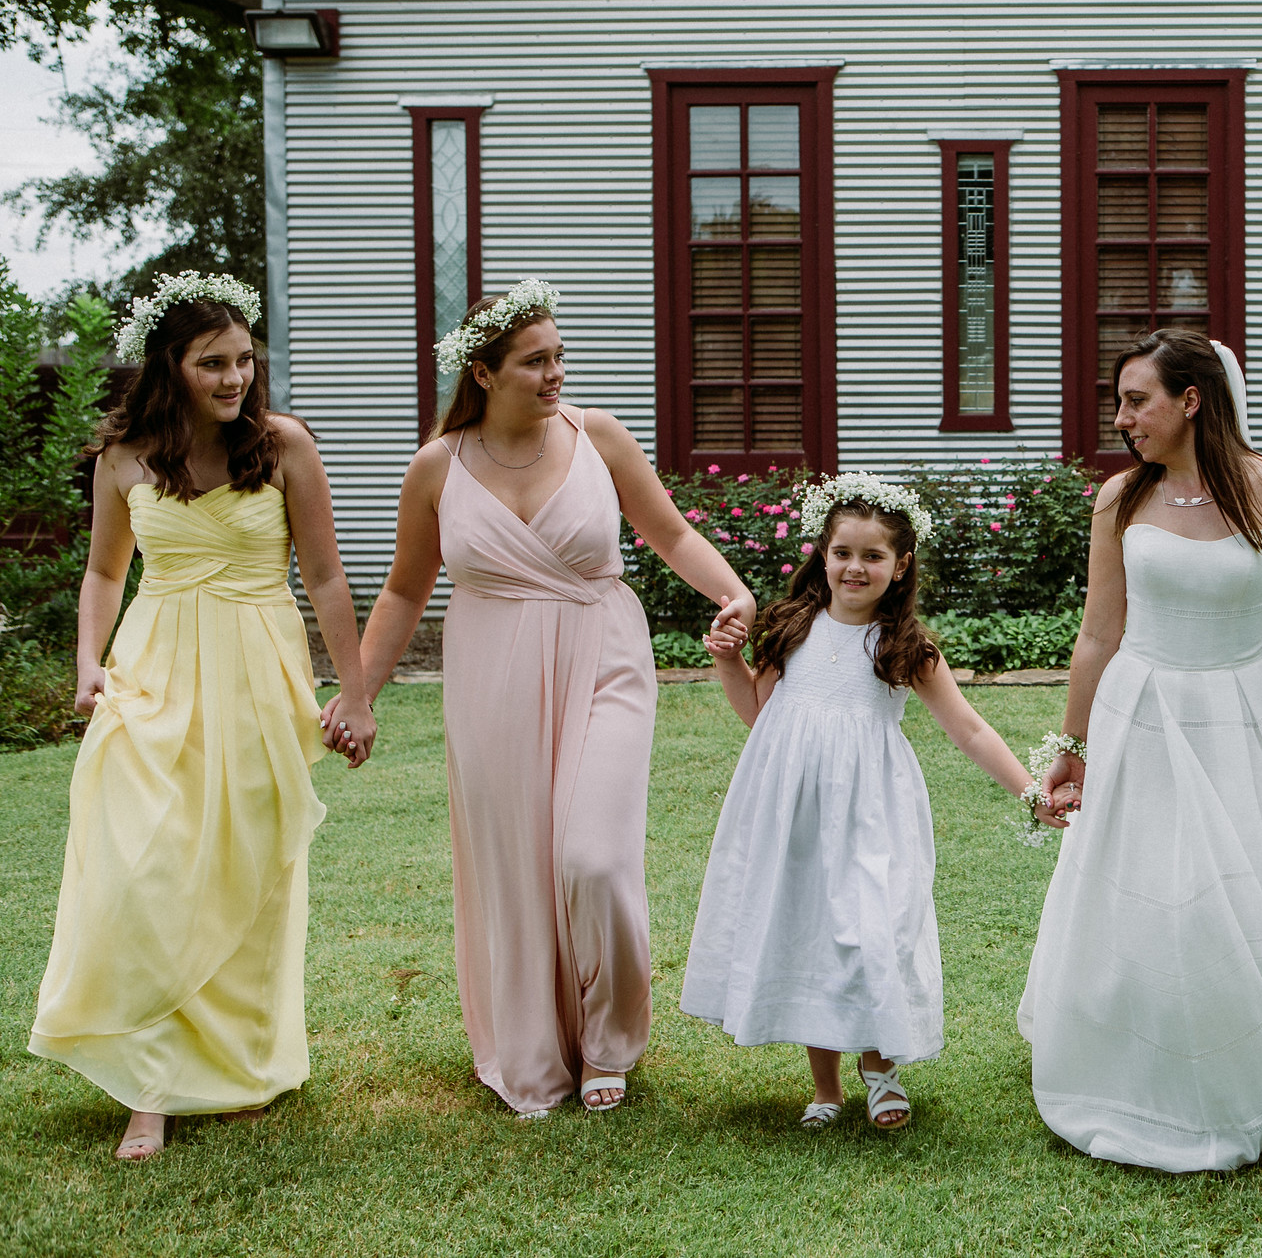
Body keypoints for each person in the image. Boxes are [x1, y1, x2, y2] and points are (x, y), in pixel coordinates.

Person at [355, 280, 752, 1118]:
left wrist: (734, 593)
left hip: (603, 650)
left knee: (592, 858)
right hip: (488, 676)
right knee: (518, 867)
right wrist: (360, 693)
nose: (555, 373)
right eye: (537, 361)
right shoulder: (438, 465)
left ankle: (610, 1038)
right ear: (485, 373)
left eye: (559, 355)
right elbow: (400, 591)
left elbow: (670, 530)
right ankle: (536, 1042)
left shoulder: (598, 436)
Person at [1019, 327, 1262, 1174]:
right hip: (1145, 709)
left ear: (1191, 400)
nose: (1122, 418)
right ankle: (1146, 1059)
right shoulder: (1119, 500)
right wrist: (1071, 746)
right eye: (1120, 401)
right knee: (1161, 889)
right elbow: (1096, 633)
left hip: (1247, 712)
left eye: (1137, 400)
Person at [31, 273, 375, 1162]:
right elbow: (106, 574)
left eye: (244, 360)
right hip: (153, 669)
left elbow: (327, 579)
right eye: (211, 362)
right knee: (145, 866)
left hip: (261, 670)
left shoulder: (287, 446)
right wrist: (87, 660)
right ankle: (149, 1089)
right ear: (170, 366)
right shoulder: (124, 456)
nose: (233, 378)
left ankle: (236, 1068)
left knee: (246, 868)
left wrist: (357, 689)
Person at [681, 474, 1043, 1131]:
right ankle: (824, 1085)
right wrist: (729, 662)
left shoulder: (905, 646)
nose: (855, 566)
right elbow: (758, 715)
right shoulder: (791, 627)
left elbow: (969, 727)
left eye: (873, 556)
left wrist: (1028, 788)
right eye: (843, 551)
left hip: (871, 812)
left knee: (867, 930)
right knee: (810, 928)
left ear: (900, 565)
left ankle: (879, 1066)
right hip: (795, 813)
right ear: (822, 553)